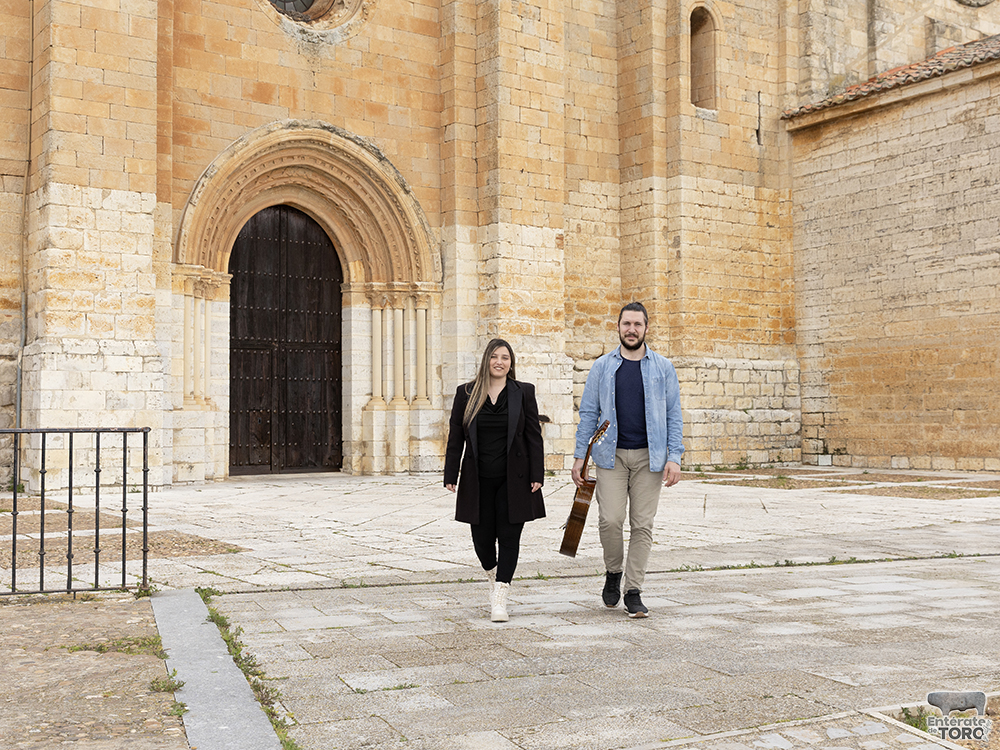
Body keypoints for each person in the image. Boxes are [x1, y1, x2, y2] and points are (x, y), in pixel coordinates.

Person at [571, 302, 684, 618]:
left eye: (637, 324)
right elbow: (588, 414)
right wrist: (580, 457)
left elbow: (673, 414)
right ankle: (613, 571)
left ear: (647, 328)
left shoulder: (663, 367)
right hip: (611, 456)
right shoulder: (602, 367)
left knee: (642, 524)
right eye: (626, 324)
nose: (631, 329)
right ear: (618, 327)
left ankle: (633, 590)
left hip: (651, 457)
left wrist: (674, 457)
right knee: (610, 519)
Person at [444, 338, 545, 622]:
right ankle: (494, 575)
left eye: (506, 358)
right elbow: (456, 435)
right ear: (486, 359)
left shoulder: (523, 392)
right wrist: (451, 473)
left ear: (511, 364)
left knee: (510, 536)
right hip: (478, 478)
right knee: (482, 541)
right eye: (495, 357)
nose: (500, 362)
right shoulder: (466, 393)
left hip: (515, 478)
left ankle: (500, 594)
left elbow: (532, 435)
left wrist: (537, 474)